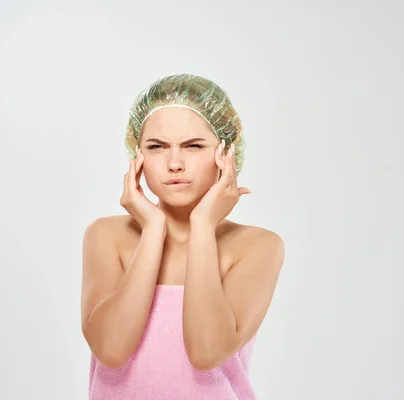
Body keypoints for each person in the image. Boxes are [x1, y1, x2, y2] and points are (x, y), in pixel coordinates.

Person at [81, 73, 285, 399]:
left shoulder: (257, 246)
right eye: (157, 147)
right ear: (138, 155)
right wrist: (152, 228)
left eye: (193, 146)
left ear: (226, 153)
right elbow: (111, 349)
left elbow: (206, 352)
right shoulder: (107, 236)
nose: (174, 163)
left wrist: (203, 224)